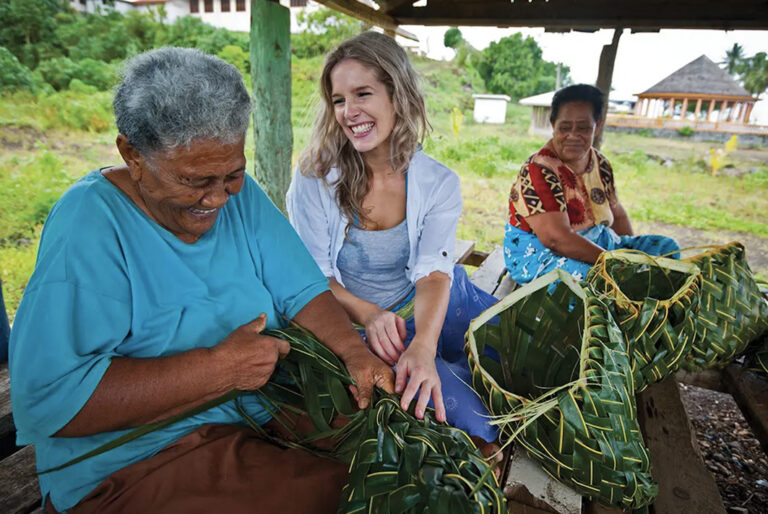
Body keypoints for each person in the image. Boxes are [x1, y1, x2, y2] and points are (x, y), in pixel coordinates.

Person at [9, 47, 394, 514]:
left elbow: (300, 287)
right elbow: (50, 400)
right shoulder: (89, 226)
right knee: (341, 497)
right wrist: (217, 370)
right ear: (132, 153)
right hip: (139, 458)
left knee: (400, 457)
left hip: (259, 412)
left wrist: (353, 351)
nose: (216, 198)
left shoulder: (240, 195)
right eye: (195, 180)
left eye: (232, 174)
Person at [286, 32, 500, 455]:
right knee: (474, 420)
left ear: (397, 96)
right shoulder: (315, 176)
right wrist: (369, 314)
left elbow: (434, 272)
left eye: (363, 93)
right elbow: (312, 276)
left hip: (432, 300)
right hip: (362, 326)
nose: (350, 112)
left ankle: (440, 351)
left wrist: (422, 345)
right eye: (339, 100)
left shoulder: (438, 182)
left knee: (519, 361)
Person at [504, 84, 679, 285]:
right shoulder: (539, 169)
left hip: (596, 243)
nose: (573, 135)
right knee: (597, 280)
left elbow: (617, 212)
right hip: (539, 254)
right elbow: (556, 239)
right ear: (553, 124)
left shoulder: (600, 163)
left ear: (597, 125)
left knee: (666, 249)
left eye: (583, 128)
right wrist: (616, 265)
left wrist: (629, 256)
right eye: (564, 127)